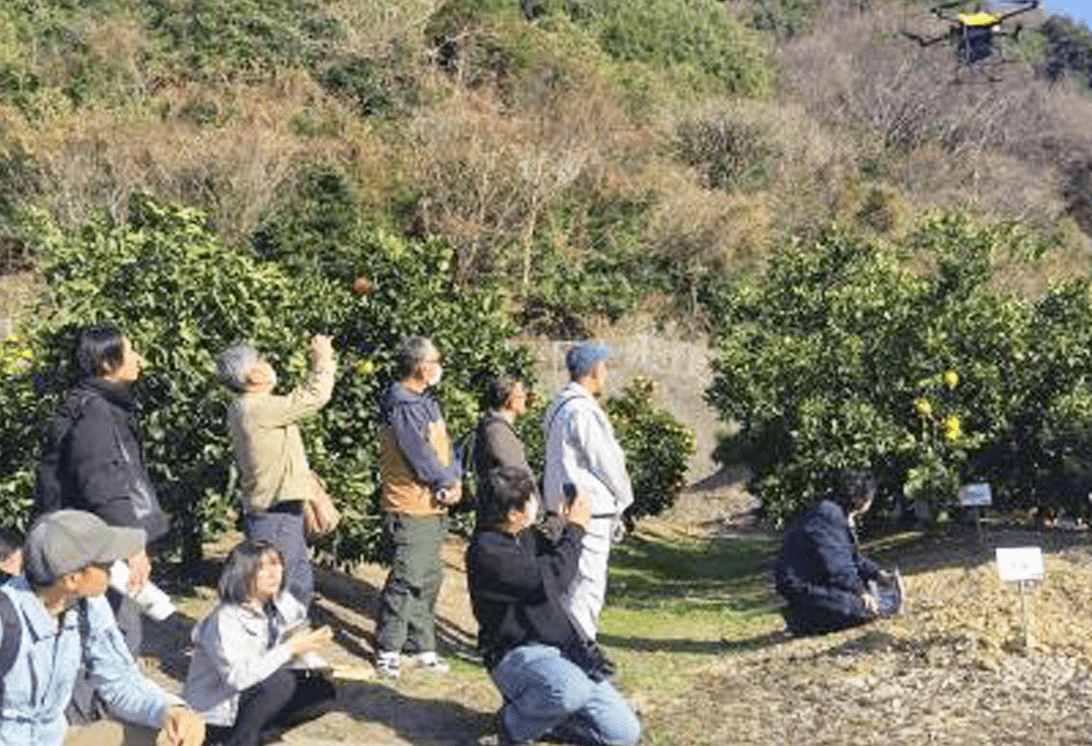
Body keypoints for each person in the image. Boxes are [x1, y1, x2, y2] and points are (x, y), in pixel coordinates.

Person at [36, 324, 172, 719]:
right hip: (91, 545)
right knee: (109, 636)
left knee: (107, 631)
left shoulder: (95, 404)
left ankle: (90, 719)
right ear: (108, 362)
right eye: (131, 351)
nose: (139, 358)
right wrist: (133, 545)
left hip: (89, 539)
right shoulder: (95, 411)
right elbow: (103, 484)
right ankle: (83, 724)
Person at [0, 509, 204, 746]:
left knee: (171, 736)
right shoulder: (6, 618)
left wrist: (168, 710)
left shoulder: (87, 604)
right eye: (106, 563)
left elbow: (119, 679)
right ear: (72, 579)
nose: (113, 568)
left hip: (52, 739)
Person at [467, 467, 640, 746]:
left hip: (563, 650)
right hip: (517, 653)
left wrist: (563, 523)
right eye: (531, 499)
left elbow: (553, 553)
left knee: (623, 733)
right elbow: (553, 576)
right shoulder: (488, 551)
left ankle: (549, 722)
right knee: (571, 690)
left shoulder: (523, 535)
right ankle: (511, 725)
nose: (536, 503)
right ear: (514, 514)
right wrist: (577, 529)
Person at [216, 335, 336, 610]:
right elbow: (315, 396)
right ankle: (282, 635)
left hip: (273, 511)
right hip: (276, 513)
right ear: (255, 375)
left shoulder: (242, 407)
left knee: (290, 579)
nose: (270, 365)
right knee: (288, 585)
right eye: (263, 361)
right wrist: (323, 360)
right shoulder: (257, 408)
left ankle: (286, 633)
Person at [183, 539, 335, 746]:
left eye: (276, 564)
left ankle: (257, 735)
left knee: (321, 692)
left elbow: (290, 650)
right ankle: (233, 741)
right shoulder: (225, 619)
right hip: (216, 712)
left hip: (248, 694)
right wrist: (289, 649)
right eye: (262, 567)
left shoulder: (279, 606)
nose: (274, 573)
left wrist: (317, 667)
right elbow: (238, 677)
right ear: (242, 574)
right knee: (280, 683)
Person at [374, 336, 462, 678]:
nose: (440, 367)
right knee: (406, 578)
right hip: (410, 506)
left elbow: (444, 448)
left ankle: (421, 646)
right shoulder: (403, 405)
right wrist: (443, 482)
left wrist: (454, 479)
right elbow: (418, 455)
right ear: (421, 366)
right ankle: (389, 650)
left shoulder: (426, 401)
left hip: (433, 507)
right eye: (435, 361)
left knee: (429, 578)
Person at [541, 341, 633, 640]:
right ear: (595, 371)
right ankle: (581, 646)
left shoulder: (559, 404)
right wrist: (624, 499)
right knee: (587, 584)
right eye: (604, 366)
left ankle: (567, 644)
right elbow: (606, 462)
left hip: (562, 505)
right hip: (588, 509)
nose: (606, 372)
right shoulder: (582, 410)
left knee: (567, 581)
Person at [774, 470, 903, 636]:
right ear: (860, 498)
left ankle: (811, 612)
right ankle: (802, 618)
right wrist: (860, 591)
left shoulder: (834, 510)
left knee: (866, 600)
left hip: (815, 578)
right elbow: (838, 565)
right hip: (802, 584)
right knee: (865, 609)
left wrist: (878, 574)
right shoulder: (828, 515)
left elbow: (851, 557)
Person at [471, 375, 537, 526]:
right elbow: (516, 473)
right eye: (521, 395)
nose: (524, 399)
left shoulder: (495, 427)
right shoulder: (498, 431)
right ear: (509, 401)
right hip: (505, 516)